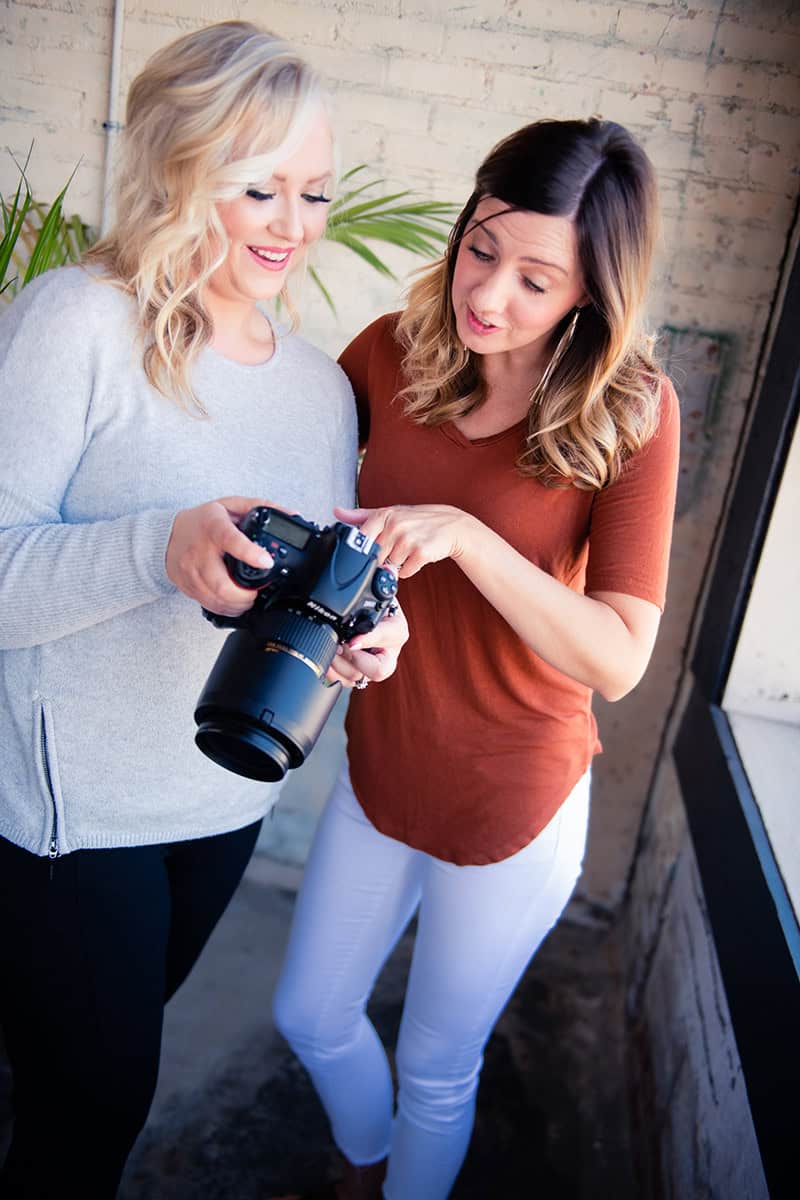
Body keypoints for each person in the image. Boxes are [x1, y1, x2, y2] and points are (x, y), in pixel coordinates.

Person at [0, 21, 406, 1199]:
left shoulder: (321, 390)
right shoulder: (75, 320)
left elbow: (315, 578)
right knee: (94, 1112)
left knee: (76, 1078)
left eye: (314, 191)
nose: (294, 223)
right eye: (258, 187)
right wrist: (155, 549)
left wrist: (364, 637)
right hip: (73, 822)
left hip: (226, 799)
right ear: (180, 169)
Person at [271, 118, 680, 1200]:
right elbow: (307, 505)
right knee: (309, 1013)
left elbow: (619, 659)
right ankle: (364, 1163)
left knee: (436, 1071)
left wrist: (467, 537)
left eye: (535, 280)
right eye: (480, 248)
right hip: (384, 763)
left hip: (515, 797)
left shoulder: (630, 410)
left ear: (591, 293)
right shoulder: (392, 351)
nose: (487, 294)